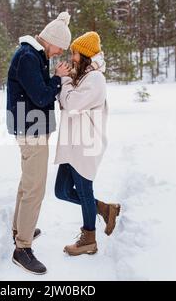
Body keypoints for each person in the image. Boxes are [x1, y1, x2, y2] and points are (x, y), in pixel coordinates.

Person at [6, 12, 72, 274]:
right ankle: (22, 248)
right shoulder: (29, 57)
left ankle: (19, 228)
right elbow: (43, 96)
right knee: (35, 188)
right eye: (60, 48)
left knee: (27, 183)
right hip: (30, 129)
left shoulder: (34, 55)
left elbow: (38, 93)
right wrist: (57, 78)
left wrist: (53, 76)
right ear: (51, 41)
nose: (60, 53)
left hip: (30, 126)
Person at [54, 31, 121, 257]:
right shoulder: (82, 76)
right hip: (73, 143)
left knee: (83, 191)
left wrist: (64, 80)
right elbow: (66, 101)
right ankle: (104, 208)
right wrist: (67, 82)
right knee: (61, 191)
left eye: (75, 53)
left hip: (85, 143)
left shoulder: (95, 79)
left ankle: (88, 239)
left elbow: (71, 103)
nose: (72, 57)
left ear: (84, 55)